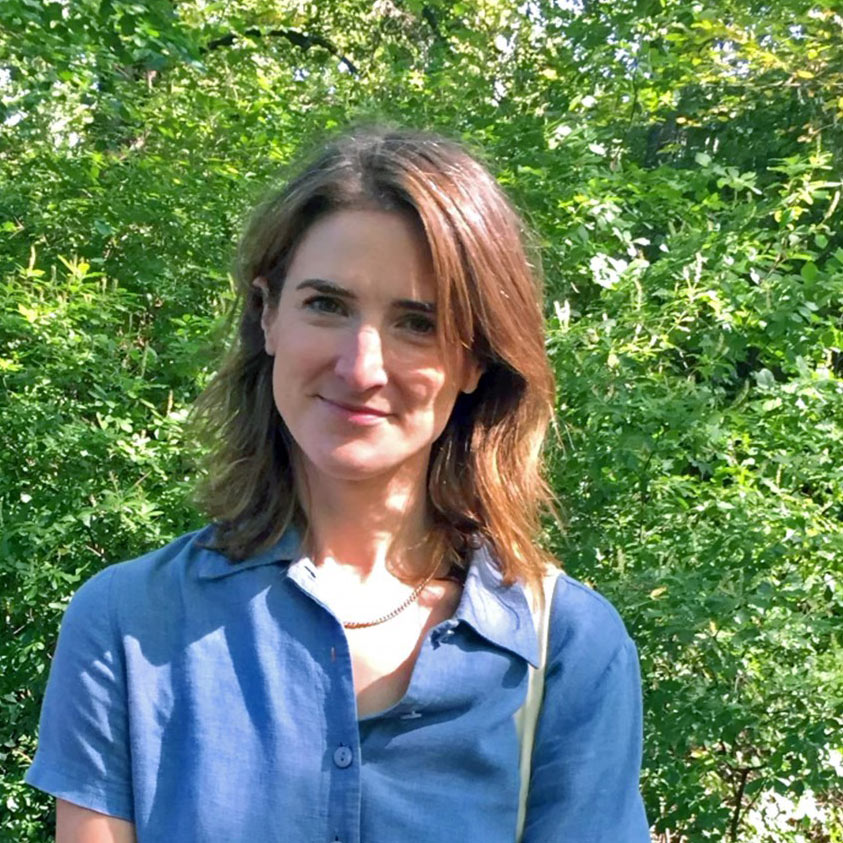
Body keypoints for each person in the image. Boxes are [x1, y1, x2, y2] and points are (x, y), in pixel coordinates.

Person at [25, 126, 650, 842]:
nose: (361, 367)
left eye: (417, 322)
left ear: (475, 361)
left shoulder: (568, 647)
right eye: (326, 304)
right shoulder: (128, 624)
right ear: (267, 314)